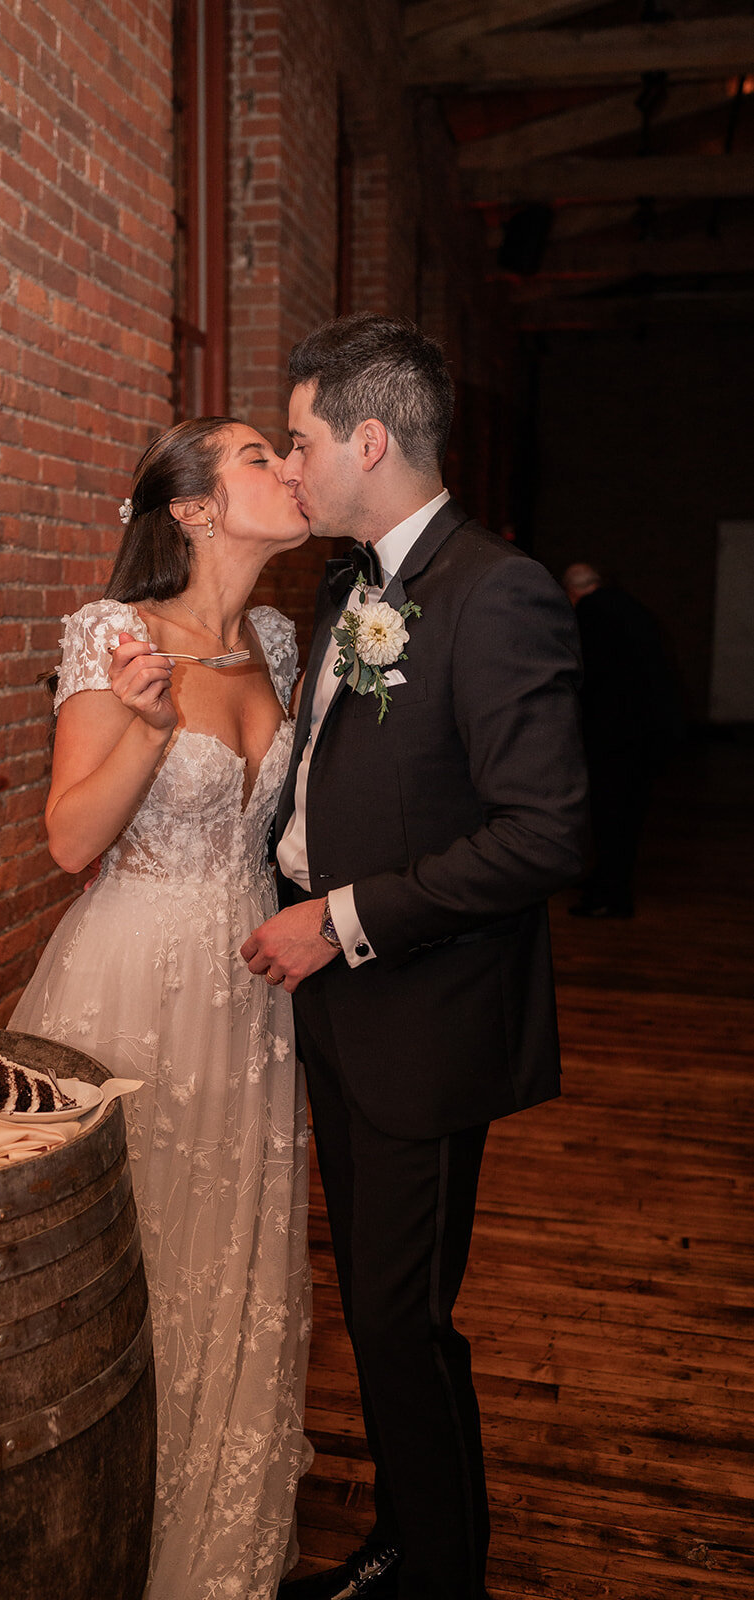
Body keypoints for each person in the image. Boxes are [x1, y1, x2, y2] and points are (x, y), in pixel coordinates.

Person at [241, 314, 587, 1600]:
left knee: (400, 1314)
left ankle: (434, 1565)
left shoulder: (499, 590)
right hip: (337, 1006)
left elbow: (546, 831)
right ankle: (408, 1531)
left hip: (425, 1015)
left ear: (370, 440)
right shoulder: (346, 588)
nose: (293, 462)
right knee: (375, 1304)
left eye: (303, 437)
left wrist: (337, 917)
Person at [8, 416, 313, 1600]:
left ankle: (210, 1552)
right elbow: (69, 838)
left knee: (229, 1264)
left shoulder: (282, 642)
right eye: (254, 456)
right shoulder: (113, 633)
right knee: (131, 1263)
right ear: (189, 508)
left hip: (250, 1001)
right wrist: (143, 723)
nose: (285, 470)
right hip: (131, 978)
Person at [563, 562, 682, 918]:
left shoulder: (592, 613)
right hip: (641, 735)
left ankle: (610, 896)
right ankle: (605, 881)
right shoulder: (626, 606)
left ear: (571, 592)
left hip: (617, 739)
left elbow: (590, 678)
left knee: (612, 819)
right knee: (622, 818)